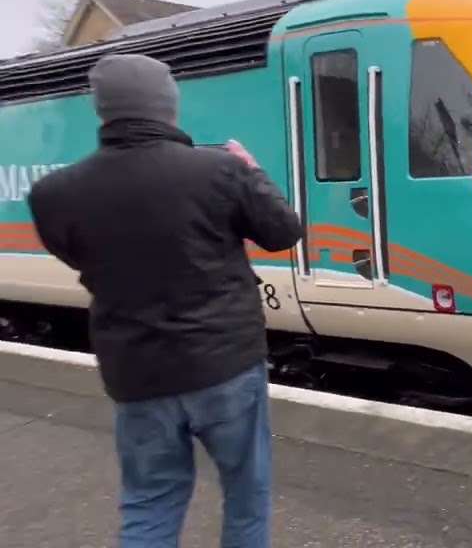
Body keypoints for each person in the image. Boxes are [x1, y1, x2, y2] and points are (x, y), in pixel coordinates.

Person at [26, 53, 304, 548]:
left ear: (103, 110)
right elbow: (282, 233)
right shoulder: (221, 171)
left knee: (150, 504)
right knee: (246, 495)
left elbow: (80, 260)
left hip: (138, 374)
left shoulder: (52, 193)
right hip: (226, 367)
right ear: (167, 108)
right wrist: (253, 172)